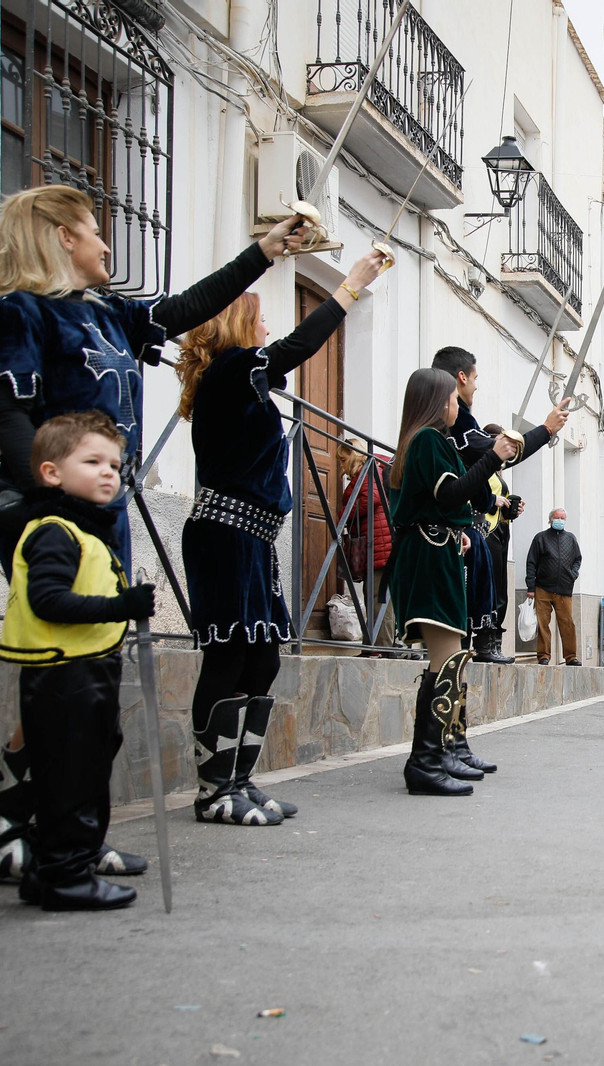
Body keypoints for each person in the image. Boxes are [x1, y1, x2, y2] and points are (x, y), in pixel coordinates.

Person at [0, 184, 308, 879]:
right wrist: (54, 506)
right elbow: (10, 419)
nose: (105, 243)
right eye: (94, 230)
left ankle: (53, 831)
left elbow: (186, 308)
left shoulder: (109, 315)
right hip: (48, 513)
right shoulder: (18, 314)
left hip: (105, 515)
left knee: (89, 674)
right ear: (61, 237)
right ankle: (19, 833)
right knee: (60, 674)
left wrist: (264, 253)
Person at [175, 250, 389, 825]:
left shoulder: (242, 383)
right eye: (260, 316)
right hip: (225, 535)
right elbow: (297, 347)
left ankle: (238, 780)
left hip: (253, 539)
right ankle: (213, 790)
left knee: (263, 659)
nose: (268, 325)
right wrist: (349, 288)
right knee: (228, 656)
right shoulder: (230, 372)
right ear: (238, 324)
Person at [0, 412, 156, 909]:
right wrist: (121, 607)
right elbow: (48, 600)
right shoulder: (54, 531)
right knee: (70, 780)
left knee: (84, 771)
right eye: (92, 462)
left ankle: (49, 869)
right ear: (51, 472)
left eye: (115, 464)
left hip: (87, 668)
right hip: (62, 673)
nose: (109, 472)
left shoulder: (84, 531)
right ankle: (66, 875)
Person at [385, 368, 519, 795]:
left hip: (435, 550)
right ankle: (426, 761)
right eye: (451, 398)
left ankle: (441, 751)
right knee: (446, 659)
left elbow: (447, 500)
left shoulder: (428, 441)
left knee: (451, 658)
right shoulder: (427, 439)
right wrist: (493, 457)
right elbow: (450, 494)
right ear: (436, 401)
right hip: (428, 554)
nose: (457, 405)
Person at [431, 347, 570, 663]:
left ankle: (475, 651)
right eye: (475, 378)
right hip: (447, 530)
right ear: (461, 378)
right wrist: (545, 429)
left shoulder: (456, 424)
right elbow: (489, 459)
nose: (476, 387)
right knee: (451, 636)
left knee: (482, 592)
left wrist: (494, 501)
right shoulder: (447, 428)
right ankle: (467, 653)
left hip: (467, 530)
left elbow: (472, 479)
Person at [337, 437, 398, 651]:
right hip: (377, 542)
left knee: (379, 598)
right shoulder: (370, 471)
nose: (341, 465)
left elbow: (371, 499)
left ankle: (381, 649)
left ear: (354, 455)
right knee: (375, 596)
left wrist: (343, 514)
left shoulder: (368, 471)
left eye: (343, 459)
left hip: (379, 542)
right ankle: (374, 647)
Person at [481, 423, 527, 661]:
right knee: (489, 589)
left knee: (500, 590)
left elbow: (500, 505)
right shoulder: (481, 465)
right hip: (485, 533)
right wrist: (493, 500)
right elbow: (470, 494)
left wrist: (512, 508)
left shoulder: (497, 470)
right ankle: (486, 644)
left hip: (499, 532)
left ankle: (494, 642)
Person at [524, 509, 583, 666]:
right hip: (543, 588)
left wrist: (573, 574)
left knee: (567, 624)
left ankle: (571, 656)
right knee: (543, 624)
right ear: (550, 520)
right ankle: (544, 656)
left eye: (562, 518)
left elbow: (577, 559)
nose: (560, 520)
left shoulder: (571, 538)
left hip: (564, 589)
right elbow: (531, 562)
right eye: (557, 517)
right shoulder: (540, 538)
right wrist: (531, 587)